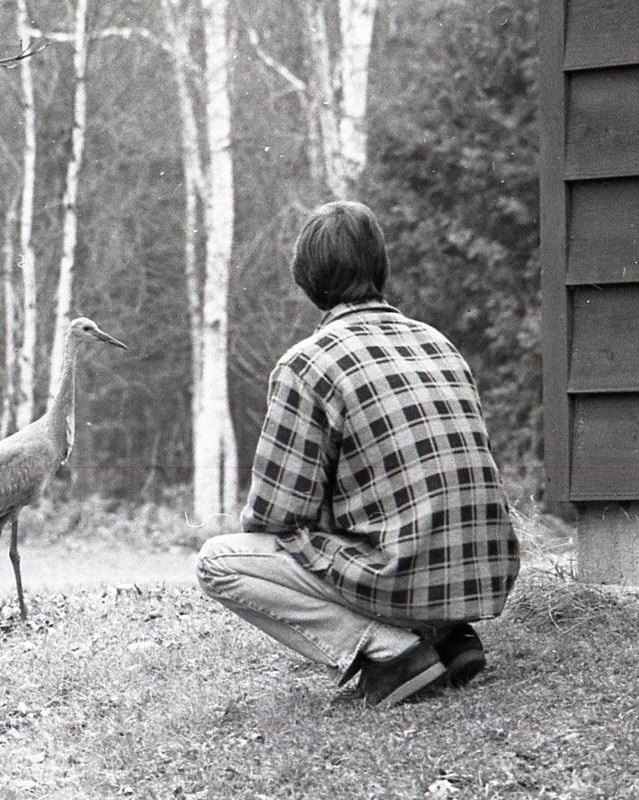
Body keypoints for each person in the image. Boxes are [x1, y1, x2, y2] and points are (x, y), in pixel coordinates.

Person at [197, 200, 520, 707]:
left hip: (403, 576)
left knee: (218, 562)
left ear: (307, 279)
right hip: (483, 573)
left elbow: (273, 517)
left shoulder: (307, 364)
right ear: (380, 268)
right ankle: (446, 637)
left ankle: (392, 654)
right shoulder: (437, 342)